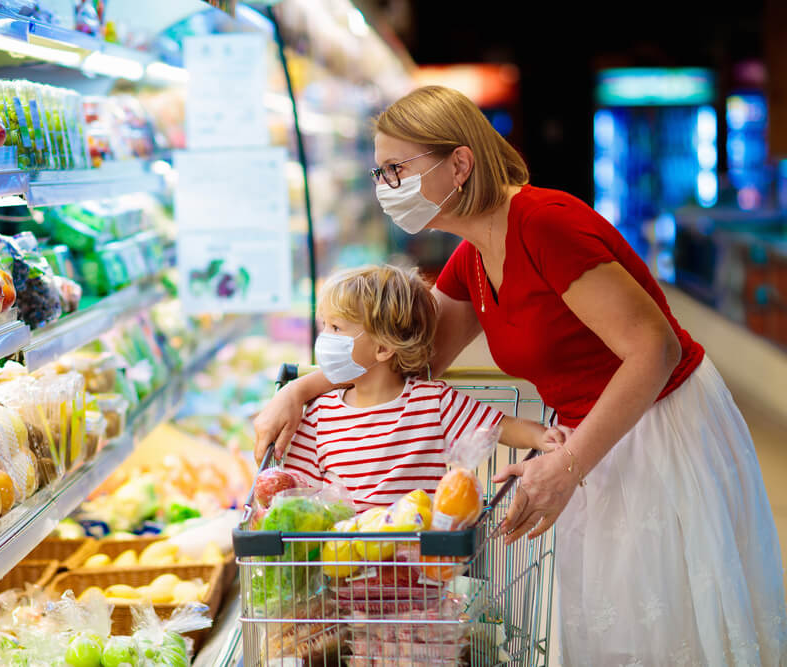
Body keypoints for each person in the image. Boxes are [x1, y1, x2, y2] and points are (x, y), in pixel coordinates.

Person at [253, 85, 787, 665]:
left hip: (658, 425)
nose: (386, 188)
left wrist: (566, 463)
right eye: (379, 173)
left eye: (395, 170)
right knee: (609, 624)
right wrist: (302, 389)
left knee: (659, 624)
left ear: (459, 163)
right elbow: (408, 356)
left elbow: (652, 351)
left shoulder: (545, 224)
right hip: (592, 437)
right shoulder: (474, 257)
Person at [279, 264, 556, 512]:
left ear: (383, 348)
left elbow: (502, 427)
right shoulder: (318, 415)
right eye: (324, 325)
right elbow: (297, 495)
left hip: (419, 564)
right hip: (341, 563)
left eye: (336, 328)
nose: (325, 338)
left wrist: (544, 437)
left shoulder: (432, 403)